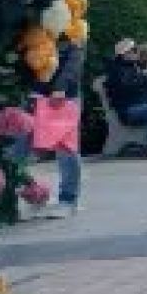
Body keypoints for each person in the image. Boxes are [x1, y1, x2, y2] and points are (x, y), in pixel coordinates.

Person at [26, 36, 86, 217]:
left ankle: (68, 200)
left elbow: (73, 63)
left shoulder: (72, 31)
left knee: (66, 149)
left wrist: (61, 86)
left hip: (61, 97)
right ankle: (31, 196)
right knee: (17, 149)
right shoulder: (30, 28)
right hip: (32, 95)